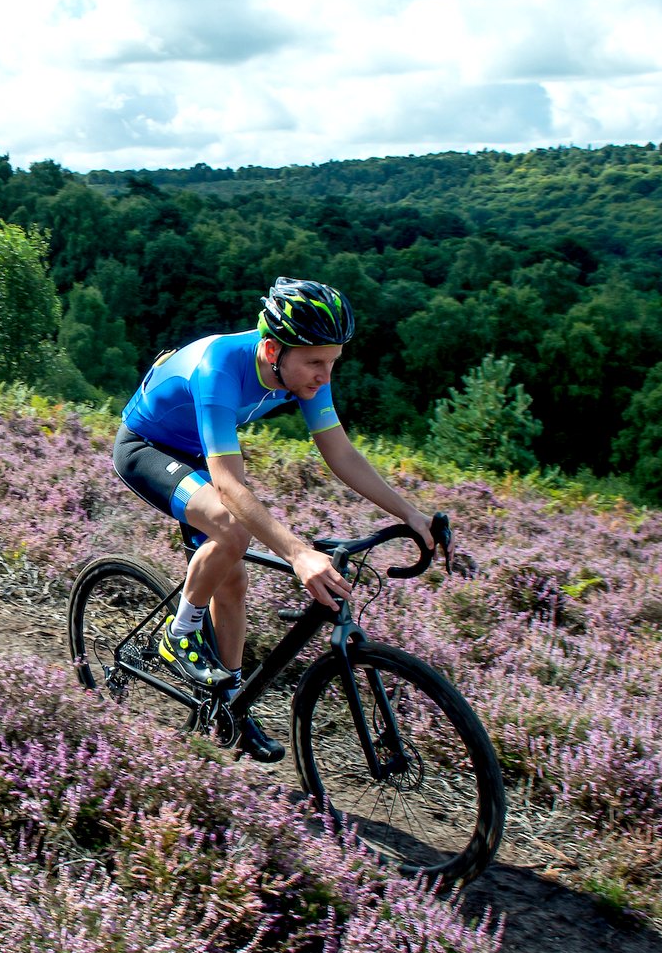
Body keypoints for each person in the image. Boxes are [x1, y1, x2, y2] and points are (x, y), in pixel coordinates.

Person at [112, 276, 445, 761]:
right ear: (272, 350)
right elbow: (229, 487)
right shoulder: (219, 367)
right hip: (147, 446)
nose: (324, 376)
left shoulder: (301, 370)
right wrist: (298, 555)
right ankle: (178, 634)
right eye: (315, 363)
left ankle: (228, 705)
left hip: (199, 450)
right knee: (232, 528)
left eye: (333, 362)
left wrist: (410, 514)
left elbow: (341, 453)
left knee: (233, 580)